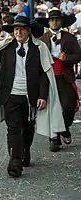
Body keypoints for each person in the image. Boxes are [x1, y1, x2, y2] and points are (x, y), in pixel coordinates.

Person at [0, 16, 65, 177]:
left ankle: (25, 150)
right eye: (16, 29)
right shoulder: (6, 48)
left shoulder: (39, 48)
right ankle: (15, 162)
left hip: (31, 96)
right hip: (10, 95)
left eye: (22, 29)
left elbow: (44, 74)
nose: (19, 32)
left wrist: (42, 96)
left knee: (28, 127)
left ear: (29, 31)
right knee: (13, 129)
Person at [37, 8, 81, 151]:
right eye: (52, 19)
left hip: (65, 77)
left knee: (68, 106)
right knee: (51, 108)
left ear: (61, 21)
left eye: (57, 19)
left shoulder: (70, 38)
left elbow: (79, 56)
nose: (54, 22)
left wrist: (67, 58)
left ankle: (65, 127)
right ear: (48, 22)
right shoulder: (42, 40)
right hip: (48, 78)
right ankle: (53, 138)